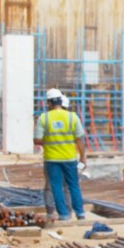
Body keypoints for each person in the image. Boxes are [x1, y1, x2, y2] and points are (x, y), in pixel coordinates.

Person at [34, 88, 87, 221]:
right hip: (69, 158)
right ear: (61, 101)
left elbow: (37, 140)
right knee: (74, 185)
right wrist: (83, 157)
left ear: (49, 103)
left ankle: (63, 215)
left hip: (52, 159)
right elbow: (80, 139)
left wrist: (50, 141)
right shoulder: (73, 117)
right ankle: (80, 213)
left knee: (56, 187)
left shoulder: (44, 118)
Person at [43, 95, 72, 218]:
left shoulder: (48, 118)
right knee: (67, 186)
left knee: (50, 186)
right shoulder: (71, 119)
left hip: (53, 158)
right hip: (68, 158)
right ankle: (67, 213)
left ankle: (51, 212)